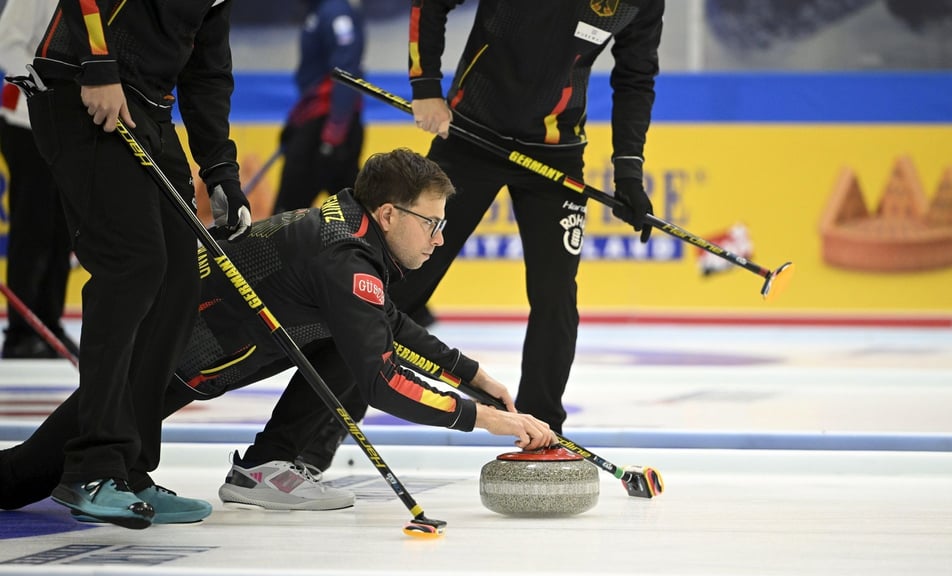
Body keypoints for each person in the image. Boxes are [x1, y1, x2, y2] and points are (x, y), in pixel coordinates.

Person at [0, 148, 556, 514]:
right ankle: (268, 467)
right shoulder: (345, 260)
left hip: (188, 356)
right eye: (431, 223)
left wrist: (473, 375)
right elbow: (382, 382)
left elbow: (381, 321)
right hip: (162, 358)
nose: (438, 239)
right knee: (24, 476)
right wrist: (488, 420)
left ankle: (272, 464)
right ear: (389, 216)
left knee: (355, 340)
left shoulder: (351, 237)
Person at [8, 0, 253, 529]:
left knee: (179, 285)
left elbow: (209, 70)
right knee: (133, 265)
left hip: (149, 106)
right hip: (81, 88)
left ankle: (130, 469)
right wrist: (97, 64)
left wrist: (220, 169)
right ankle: (93, 467)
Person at [395, 0, 663, 432]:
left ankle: (542, 430)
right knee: (403, 285)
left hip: (555, 154)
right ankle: (309, 436)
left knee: (556, 297)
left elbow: (636, 75)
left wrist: (628, 170)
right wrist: (426, 85)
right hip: (470, 137)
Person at [0, 0, 78, 360]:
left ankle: (49, 321)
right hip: (26, 120)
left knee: (64, 226)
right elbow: (7, 42)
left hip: (70, 123)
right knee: (33, 224)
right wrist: (44, 88)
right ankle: (21, 328)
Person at [273, 0, 366, 213]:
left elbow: (346, 73)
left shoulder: (337, 12)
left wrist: (334, 132)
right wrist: (295, 123)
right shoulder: (318, 11)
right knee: (354, 214)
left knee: (284, 218)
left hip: (327, 125)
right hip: (315, 121)